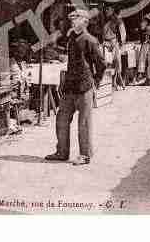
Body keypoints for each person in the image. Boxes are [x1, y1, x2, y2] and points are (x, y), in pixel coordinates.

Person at [45, 9, 105, 166]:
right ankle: (62, 152)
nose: (72, 21)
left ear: (85, 22)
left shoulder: (90, 40)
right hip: (70, 87)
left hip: (84, 86)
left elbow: (101, 64)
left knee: (84, 123)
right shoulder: (71, 39)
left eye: (76, 18)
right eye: (72, 19)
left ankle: (85, 155)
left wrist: (95, 82)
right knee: (61, 119)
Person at [103, 6, 127, 90]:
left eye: (108, 10)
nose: (106, 11)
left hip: (114, 43)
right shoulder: (105, 21)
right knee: (110, 63)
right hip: (106, 43)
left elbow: (122, 32)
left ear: (112, 11)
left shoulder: (117, 20)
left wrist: (120, 43)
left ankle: (115, 81)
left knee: (116, 62)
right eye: (106, 10)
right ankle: (112, 82)